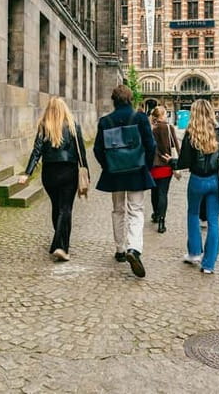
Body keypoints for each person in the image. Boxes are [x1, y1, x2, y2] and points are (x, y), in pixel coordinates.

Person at [94, 85, 157, 278]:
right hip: (137, 171)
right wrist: (144, 165)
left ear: (114, 100)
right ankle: (134, 249)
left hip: (115, 174)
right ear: (130, 99)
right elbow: (151, 145)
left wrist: (109, 166)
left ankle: (120, 249)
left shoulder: (105, 121)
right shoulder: (140, 118)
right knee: (136, 210)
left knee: (118, 209)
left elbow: (97, 150)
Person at [18, 97, 88, 262]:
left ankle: (59, 242)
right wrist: (86, 174)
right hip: (68, 171)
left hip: (49, 173)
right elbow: (81, 153)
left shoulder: (44, 126)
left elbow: (36, 151)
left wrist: (27, 173)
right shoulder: (73, 125)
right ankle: (61, 247)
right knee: (66, 208)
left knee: (57, 207)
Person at [175, 100, 219, 275]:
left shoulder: (190, 134)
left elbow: (184, 161)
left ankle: (194, 253)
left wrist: (173, 163)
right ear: (211, 112)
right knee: (213, 221)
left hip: (196, 180)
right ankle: (209, 265)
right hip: (216, 181)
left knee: (193, 214)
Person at [150, 105, 179, 234]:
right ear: (162, 115)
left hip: (153, 166)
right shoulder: (169, 128)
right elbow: (176, 146)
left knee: (154, 191)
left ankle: (156, 214)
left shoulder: (152, 129)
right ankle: (162, 221)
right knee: (163, 193)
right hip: (167, 165)